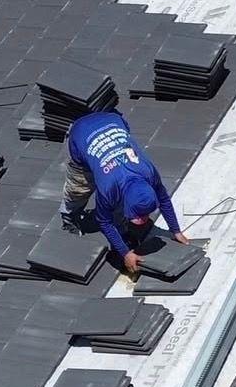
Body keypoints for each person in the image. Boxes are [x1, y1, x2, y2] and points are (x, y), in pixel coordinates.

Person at [60, 109, 190, 272]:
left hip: (113, 122)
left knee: (118, 209)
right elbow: (104, 222)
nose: (143, 219)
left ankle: (122, 228)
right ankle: (68, 216)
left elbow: (164, 200)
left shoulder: (149, 174)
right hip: (80, 136)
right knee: (78, 189)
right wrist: (125, 253)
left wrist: (175, 231)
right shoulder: (108, 188)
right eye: (139, 215)